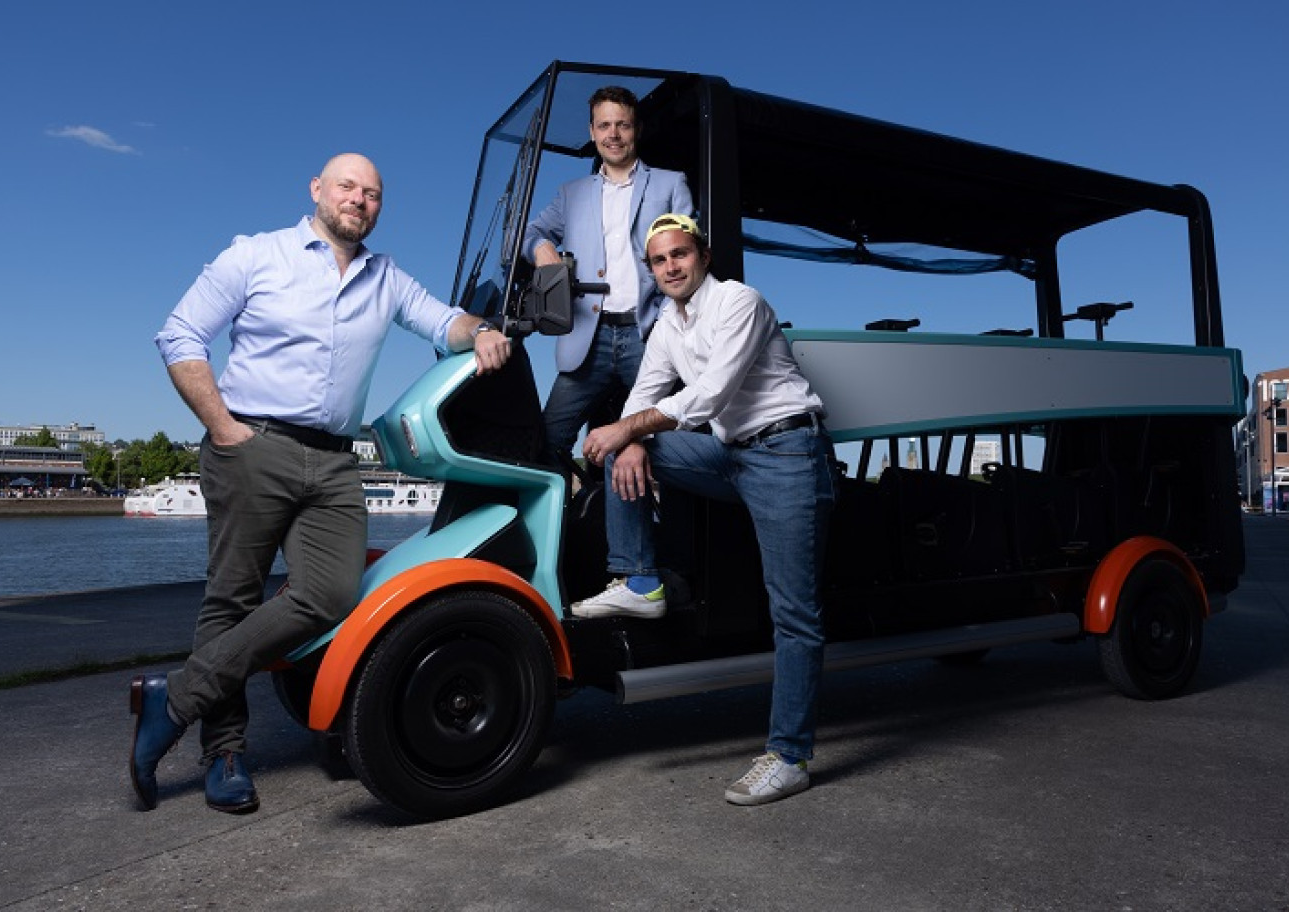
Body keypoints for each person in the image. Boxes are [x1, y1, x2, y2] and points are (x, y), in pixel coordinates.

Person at [130, 152, 511, 814]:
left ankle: (176, 698)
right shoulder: (257, 255)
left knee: (331, 593)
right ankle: (224, 753)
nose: (359, 200)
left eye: (373, 193)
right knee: (232, 599)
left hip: (335, 460)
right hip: (253, 444)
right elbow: (180, 335)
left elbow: (440, 320)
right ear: (317, 190)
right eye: (347, 187)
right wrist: (223, 427)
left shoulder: (386, 278)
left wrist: (480, 331)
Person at [575, 213, 837, 807]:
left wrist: (629, 430)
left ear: (703, 256)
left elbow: (712, 394)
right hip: (730, 454)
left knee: (794, 614)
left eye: (680, 254)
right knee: (624, 446)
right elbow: (644, 395)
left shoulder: (740, 302)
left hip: (787, 452)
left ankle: (790, 757)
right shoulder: (668, 327)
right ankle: (640, 581)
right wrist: (629, 437)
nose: (671, 266)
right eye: (659, 260)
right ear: (652, 270)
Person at [522, 86, 693, 464]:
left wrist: (670, 318)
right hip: (588, 338)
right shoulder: (571, 194)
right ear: (592, 131)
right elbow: (529, 233)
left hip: (648, 335)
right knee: (547, 443)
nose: (613, 134)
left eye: (622, 125)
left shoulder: (670, 184)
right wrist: (541, 248)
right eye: (604, 126)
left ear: (637, 130)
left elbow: (690, 253)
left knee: (666, 445)